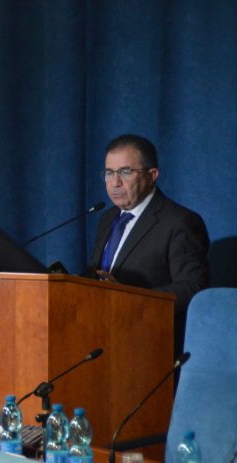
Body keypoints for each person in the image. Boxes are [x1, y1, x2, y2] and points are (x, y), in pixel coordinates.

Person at [86, 134, 210, 357]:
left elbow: (194, 288)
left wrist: (131, 299)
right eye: (109, 173)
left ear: (152, 175)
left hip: (149, 346)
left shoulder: (180, 222)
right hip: (101, 339)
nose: (115, 182)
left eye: (125, 172)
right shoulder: (107, 219)